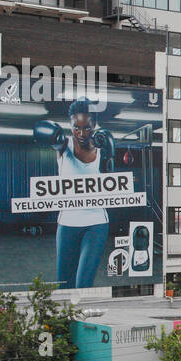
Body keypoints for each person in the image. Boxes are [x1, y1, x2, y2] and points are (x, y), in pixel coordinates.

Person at [33, 98, 116, 290]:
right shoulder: (64, 145)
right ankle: (64, 320)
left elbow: (111, 183)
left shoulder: (102, 149)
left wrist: (110, 154)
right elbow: (49, 137)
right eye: (76, 128)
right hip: (67, 224)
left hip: (96, 223)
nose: (81, 133)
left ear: (94, 125)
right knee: (64, 286)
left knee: (83, 285)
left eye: (86, 128)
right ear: (70, 125)